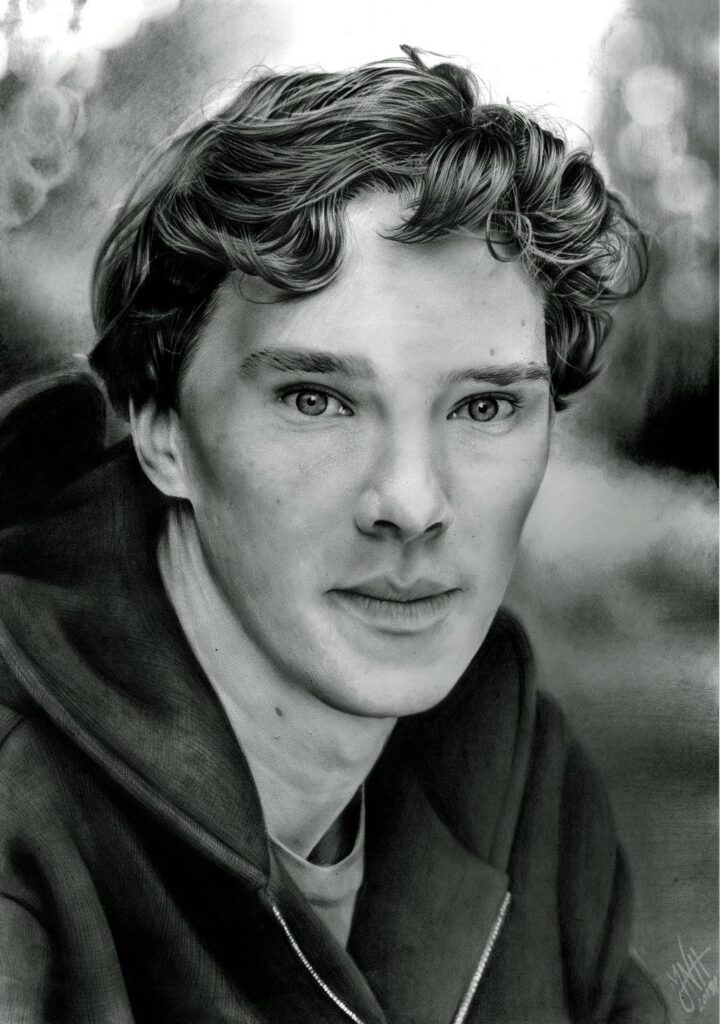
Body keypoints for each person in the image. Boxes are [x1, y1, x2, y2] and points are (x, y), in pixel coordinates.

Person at [0, 47, 664, 1024]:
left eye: (484, 406)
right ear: (161, 427)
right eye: (316, 398)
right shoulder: (19, 820)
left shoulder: (523, 777)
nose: (412, 502)